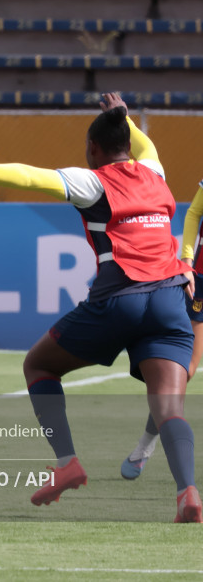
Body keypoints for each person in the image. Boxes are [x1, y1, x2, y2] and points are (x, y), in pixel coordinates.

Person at [0, 92, 202, 523]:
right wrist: (122, 117)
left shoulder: (91, 181)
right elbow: (143, 144)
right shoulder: (154, 170)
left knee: (38, 365)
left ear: (93, 149)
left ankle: (67, 464)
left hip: (120, 299)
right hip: (170, 301)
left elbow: (29, 177)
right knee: (169, 408)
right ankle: (188, 491)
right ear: (128, 144)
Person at [119, 178, 203, 480]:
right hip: (201, 278)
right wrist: (188, 257)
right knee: (186, 371)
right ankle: (145, 446)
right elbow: (194, 212)